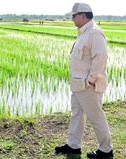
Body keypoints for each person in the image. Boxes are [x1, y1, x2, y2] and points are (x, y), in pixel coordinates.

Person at [54, 3, 113, 159]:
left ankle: (106, 150)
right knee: (76, 115)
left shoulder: (94, 33)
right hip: (78, 84)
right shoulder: (83, 33)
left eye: (74, 16)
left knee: (96, 117)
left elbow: (100, 59)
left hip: (88, 86)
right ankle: (74, 146)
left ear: (83, 16)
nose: (72, 19)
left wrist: (91, 80)